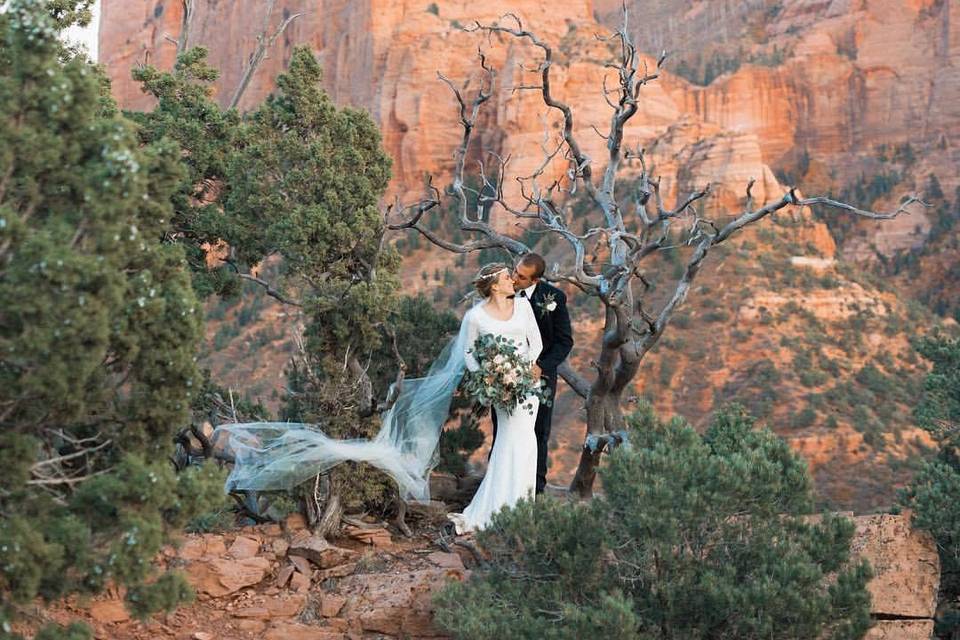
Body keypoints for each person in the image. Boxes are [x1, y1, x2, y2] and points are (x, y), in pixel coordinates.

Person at [446, 262, 543, 534]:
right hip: (501, 391)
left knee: (526, 443)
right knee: (508, 444)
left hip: (527, 388)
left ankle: (521, 509)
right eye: (506, 277)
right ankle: (500, 509)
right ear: (494, 285)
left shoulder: (523, 307)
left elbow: (535, 343)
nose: (512, 279)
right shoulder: (476, 317)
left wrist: (524, 371)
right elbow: (468, 353)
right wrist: (488, 378)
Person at [492, 253, 573, 495]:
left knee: (538, 432)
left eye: (522, 276)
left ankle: (535, 491)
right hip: (505, 374)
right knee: (502, 429)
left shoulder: (554, 298)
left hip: (542, 377)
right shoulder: (501, 291)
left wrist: (541, 366)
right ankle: (498, 486)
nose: (515, 278)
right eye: (515, 271)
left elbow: (564, 341)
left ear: (535, 280)